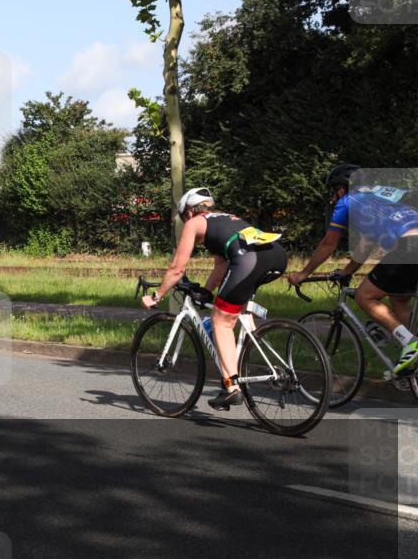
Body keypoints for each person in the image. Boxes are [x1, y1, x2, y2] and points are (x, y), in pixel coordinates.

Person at [142, 187, 288, 410]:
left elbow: (177, 269)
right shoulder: (227, 218)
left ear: (189, 212)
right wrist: (208, 291)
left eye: (184, 218)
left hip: (250, 260)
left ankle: (231, 387)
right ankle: (247, 365)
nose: (185, 223)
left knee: (220, 321)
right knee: (237, 313)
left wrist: (156, 295)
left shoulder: (194, 223)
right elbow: (222, 264)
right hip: (276, 255)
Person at [288, 164, 418, 378]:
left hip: (407, 244)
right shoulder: (380, 193)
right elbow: (366, 245)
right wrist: (348, 271)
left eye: (335, 191)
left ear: (341, 189)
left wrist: (304, 273)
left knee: (364, 296)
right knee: (398, 299)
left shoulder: (347, 201)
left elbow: (329, 244)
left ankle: (410, 343)